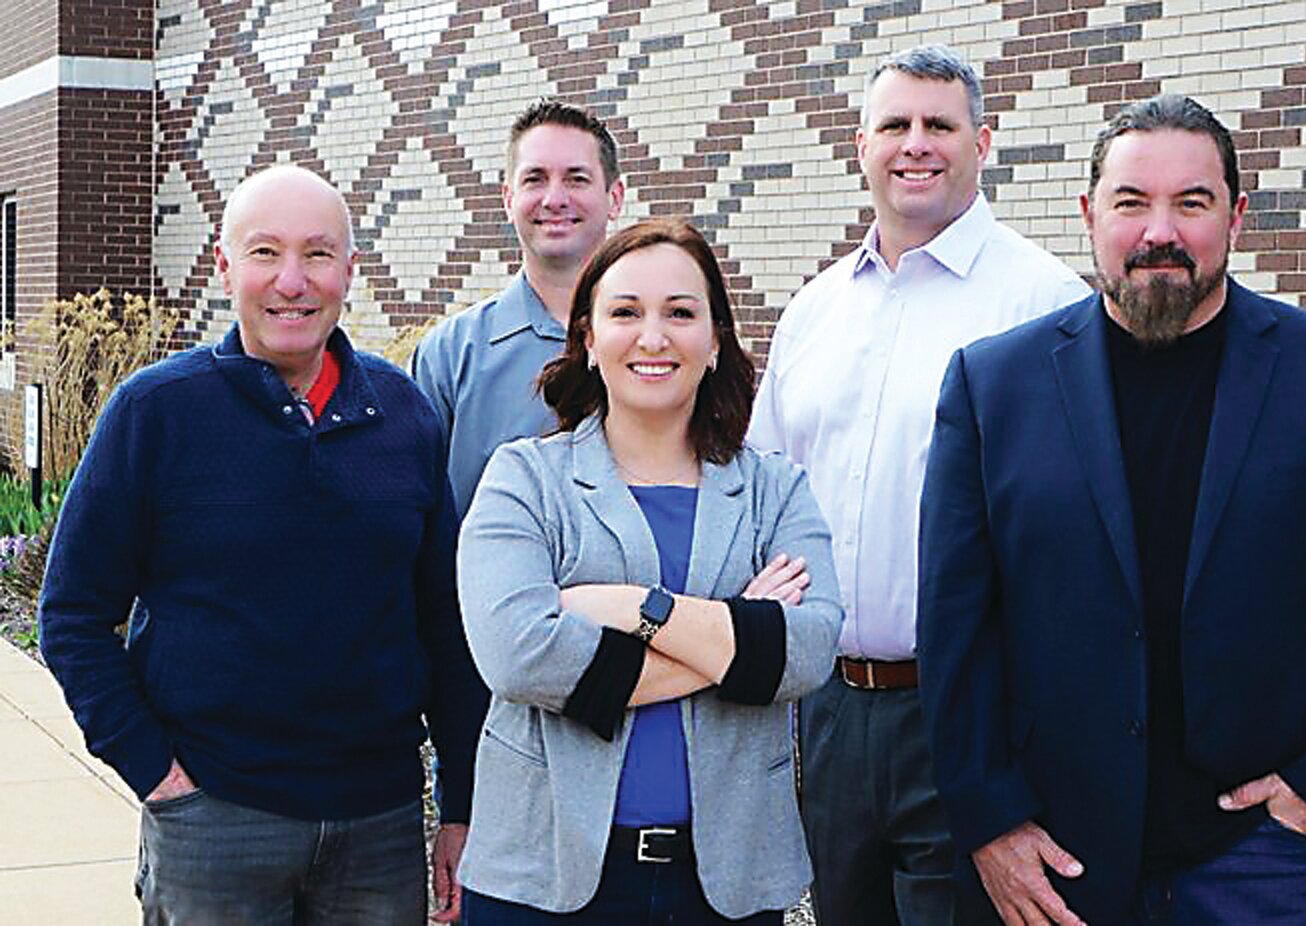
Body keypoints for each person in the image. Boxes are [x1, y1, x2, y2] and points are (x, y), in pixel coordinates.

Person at [917, 93, 1306, 925]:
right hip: (1055, 859)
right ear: (1089, 213)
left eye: (1192, 202)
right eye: (1131, 202)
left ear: (1236, 216)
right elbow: (957, 627)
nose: (1158, 231)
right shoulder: (994, 387)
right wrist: (990, 819)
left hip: (1263, 860)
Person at [38, 164, 487, 924]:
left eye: (317, 254)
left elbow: (444, 623)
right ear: (223, 264)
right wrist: (158, 776)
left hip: (377, 826)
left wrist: (460, 804)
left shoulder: (403, 415)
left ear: (351, 267)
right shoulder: (155, 414)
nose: (292, 281)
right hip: (216, 820)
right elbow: (72, 612)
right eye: (264, 253)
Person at [746, 45, 1090, 926]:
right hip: (827, 714)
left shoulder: (1042, 302)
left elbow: (1073, 534)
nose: (916, 144)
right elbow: (763, 491)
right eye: (895, 125)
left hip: (970, 714)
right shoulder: (814, 310)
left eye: (940, 124)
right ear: (859, 144)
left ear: (984, 142)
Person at [454, 218, 842, 924]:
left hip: (723, 885)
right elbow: (518, 655)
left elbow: (807, 650)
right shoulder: (524, 479)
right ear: (588, 339)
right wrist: (739, 634)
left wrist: (638, 607)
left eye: (681, 313)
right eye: (625, 312)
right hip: (544, 877)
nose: (654, 337)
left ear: (716, 339)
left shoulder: (775, 490)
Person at [413, 99, 624, 518]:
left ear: (614, 198)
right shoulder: (449, 355)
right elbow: (415, 512)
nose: (554, 198)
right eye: (535, 179)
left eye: (577, 179)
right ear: (508, 199)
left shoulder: (663, 346)